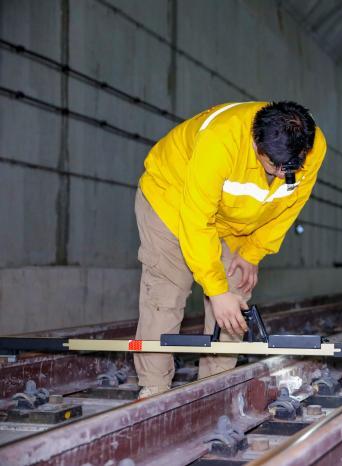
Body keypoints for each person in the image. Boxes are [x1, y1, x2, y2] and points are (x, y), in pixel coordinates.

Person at [134, 101, 326, 398]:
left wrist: (252, 252)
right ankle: (154, 389)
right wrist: (215, 289)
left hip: (232, 219)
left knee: (236, 295)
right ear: (256, 143)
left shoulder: (312, 146)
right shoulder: (219, 142)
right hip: (172, 204)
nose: (279, 175)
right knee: (168, 293)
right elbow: (196, 220)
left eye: (289, 168)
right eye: (273, 166)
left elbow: (290, 206)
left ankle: (215, 388)